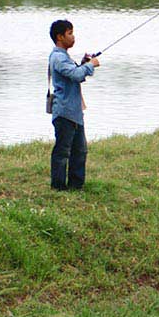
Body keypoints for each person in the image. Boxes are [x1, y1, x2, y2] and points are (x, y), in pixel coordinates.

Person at [48, 19, 100, 190]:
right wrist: (90, 65)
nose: (73, 37)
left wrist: (84, 64)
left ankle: (76, 186)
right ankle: (58, 187)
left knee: (80, 151)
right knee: (63, 152)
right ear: (60, 37)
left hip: (74, 112)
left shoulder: (64, 57)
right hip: (64, 112)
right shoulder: (58, 57)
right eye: (70, 33)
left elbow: (74, 73)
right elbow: (76, 75)